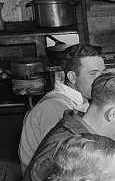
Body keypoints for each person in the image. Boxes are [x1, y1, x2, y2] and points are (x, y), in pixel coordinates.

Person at [18, 44, 105, 172]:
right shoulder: (55, 110)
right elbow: (67, 164)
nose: (101, 80)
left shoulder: (79, 101)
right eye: (93, 74)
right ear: (72, 77)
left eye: (102, 73)